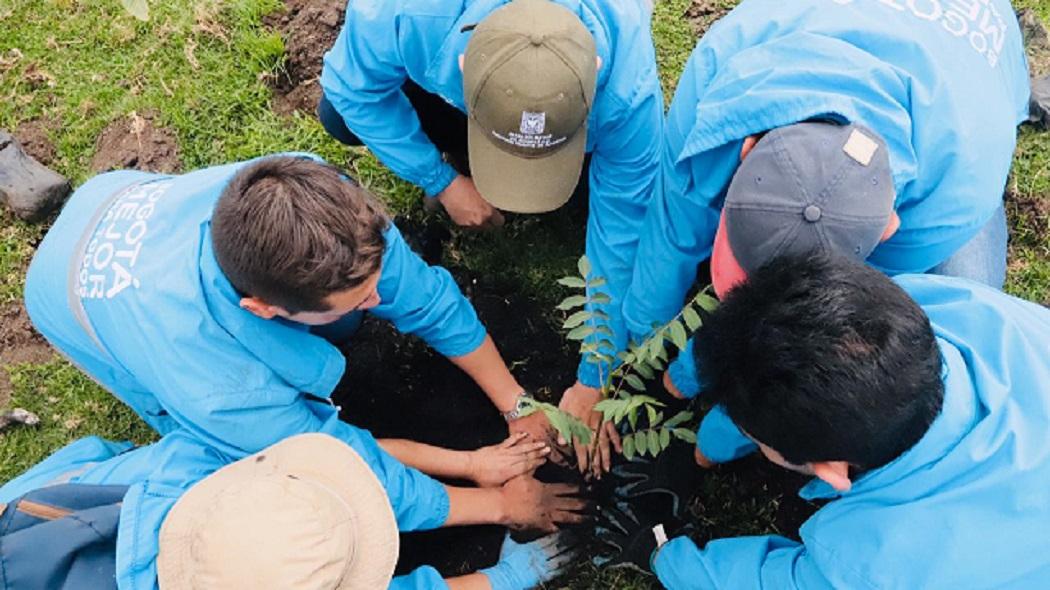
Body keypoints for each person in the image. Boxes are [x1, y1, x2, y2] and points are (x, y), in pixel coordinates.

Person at [621, 0, 1030, 464]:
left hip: (965, 100)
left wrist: (742, 424)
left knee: (948, 323)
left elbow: (836, 339)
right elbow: (675, 220)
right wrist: (642, 343)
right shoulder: (729, 63)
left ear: (887, 228)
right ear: (749, 147)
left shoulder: (959, 189)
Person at [23, 154, 554, 467]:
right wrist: (478, 475)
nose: (379, 304)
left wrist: (516, 403)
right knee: (227, 447)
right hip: (66, 295)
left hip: (114, 197)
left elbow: (430, 302)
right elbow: (326, 453)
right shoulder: (215, 388)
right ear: (261, 308)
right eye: (361, 298)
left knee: (347, 310)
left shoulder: (317, 202)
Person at [319, 0, 665, 474]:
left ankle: (553, 143)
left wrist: (595, 374)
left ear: (596, 67)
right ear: (463, 62)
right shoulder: (404, 14)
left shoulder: (627, 87)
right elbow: (352, 90)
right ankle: (473, 132)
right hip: (444, 69)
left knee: (618, 176)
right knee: (337, 116)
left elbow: (624, 227)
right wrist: (441, 180)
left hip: (590, 102)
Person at [642, 254, 1050, 588]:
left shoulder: (871, 566)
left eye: (755, 437)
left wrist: (663, 557)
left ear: (831, 471)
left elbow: (767, 582)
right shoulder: (950, 303)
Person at [0, 429, 582, 589]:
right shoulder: (175, 465)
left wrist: (474, 469)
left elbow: (356, 453)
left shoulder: (183, 462)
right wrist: (503, 580)